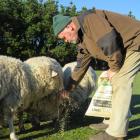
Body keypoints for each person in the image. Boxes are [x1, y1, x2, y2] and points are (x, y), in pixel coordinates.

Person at [53, 9, 140, 140]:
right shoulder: (82, 41)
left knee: (121, 81)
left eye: (64, 37)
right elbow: (80, 66)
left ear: (69, 27)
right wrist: (68, 89)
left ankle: (116, 133)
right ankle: (110, 120)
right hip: (123, 49)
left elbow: (110, 41)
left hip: (135, 43)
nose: (65, 41)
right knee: (106, 81)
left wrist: (114, 69)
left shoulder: (89, 19)